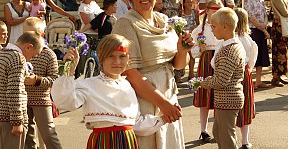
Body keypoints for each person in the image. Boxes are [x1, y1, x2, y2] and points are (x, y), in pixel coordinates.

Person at [112, 0, 194, 149]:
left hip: (169, 97)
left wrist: (182, 50)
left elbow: (178, 66)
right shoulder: (125, 24)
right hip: (144, 102)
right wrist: (163, 105)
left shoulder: (165, 21)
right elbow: (130, 73)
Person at [51, 34, 166, 149]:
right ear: (101, 57)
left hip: (128, 142)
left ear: (128, 59)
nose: (117, 61)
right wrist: (68, 72)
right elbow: (65, 102)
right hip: (103, 142)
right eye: (111, 56)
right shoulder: (89, 84)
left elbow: (137, 123)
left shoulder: (127, 86)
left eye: (122, 56)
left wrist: (163, 119)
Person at [200, 7, 246, 149]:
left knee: (226, 138)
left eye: (214, 26)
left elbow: (221, 81)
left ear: (225, 27)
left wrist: (202, 83)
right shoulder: (230, 45)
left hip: (228, 99)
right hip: (225, 99)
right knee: (219, 133)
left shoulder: (229, 50)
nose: (212, 29)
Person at [23, 17, 62, 149]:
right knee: (28, 136)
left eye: (33, 34)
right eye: (26, 34)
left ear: (42, 35)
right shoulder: (20, 53)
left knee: (48, 134)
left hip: (41, 99)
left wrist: (37, 80)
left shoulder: (49, 54)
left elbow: (54, 79)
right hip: (23, 99)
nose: (29, 38)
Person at [0, 31, 44, 149]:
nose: (31, 59)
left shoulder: (2, 53)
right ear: (28, 47)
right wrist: (17, 122)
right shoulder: (18, 58)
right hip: (9, 119)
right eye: (33, 55)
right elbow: (14, 91)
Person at [191, 0, 224, 142]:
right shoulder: (200, 29)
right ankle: (203, 130)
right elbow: (192, 50)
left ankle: (219, 129)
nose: (216, 13)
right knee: (204, 95)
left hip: (221, 59)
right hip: (206, 61)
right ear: (208, 11)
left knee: (220, 95)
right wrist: (200, 49)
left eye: (219, 10)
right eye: (214, 10)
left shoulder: (224, 26)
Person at [235, 8, 258, 149]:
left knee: (231, 106)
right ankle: (245, 141)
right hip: (244, 73)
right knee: (246, 106)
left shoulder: (229, 39)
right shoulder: (248, 40)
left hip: (231, 75)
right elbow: (252, 61)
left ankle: (231, 139)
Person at [244, 0, 271, 89]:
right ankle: (249, 81)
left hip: (261, 29)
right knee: (252, 55)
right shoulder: (248, 0)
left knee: (260, 56)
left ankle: (258, 81)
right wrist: (263, 29)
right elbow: (250, 16)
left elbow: (265, 14)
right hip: (253, 30)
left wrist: (265, 24)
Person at [161, 0, 184, 83]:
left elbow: (181, 12)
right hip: (165, 25)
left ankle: (178, 73)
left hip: (176, 25)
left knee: (178, 47)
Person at [182, 0, 199, 79]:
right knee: (184, 54)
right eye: (188, 2)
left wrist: (194, 27)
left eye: (191, 2)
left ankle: (191, 72)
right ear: (184, 4)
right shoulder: (181, 13)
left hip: (192, 35)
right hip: (183, 36)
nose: (190, 4)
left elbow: (198, 24)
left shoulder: (194, 12)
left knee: (192, 54)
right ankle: (182, 71)